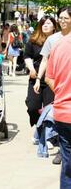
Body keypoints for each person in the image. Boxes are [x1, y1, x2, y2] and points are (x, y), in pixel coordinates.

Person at [34, 7, 71, 165]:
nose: (62, 21)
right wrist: (38, 79)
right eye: (60, 18)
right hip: (58, 85)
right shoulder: (53, 40)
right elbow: (45, 61)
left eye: (66, 18)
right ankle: (62, 150)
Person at [45, 31, 71, 188]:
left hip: (62, 111)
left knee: (68, 165)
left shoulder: (58, 45)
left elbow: (49, 77)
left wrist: (63, 92)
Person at [23, 16, 56, 135]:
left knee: (49, 108)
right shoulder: (33, 41)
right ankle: (38, 126)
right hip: (35, 77)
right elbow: (26, 56)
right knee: (32, 107)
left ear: (54, 26)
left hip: (52, 79)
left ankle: (46, 134)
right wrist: (31, 68)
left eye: (48, 23)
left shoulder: (58, 40)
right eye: (43, 24)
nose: (45, 26)